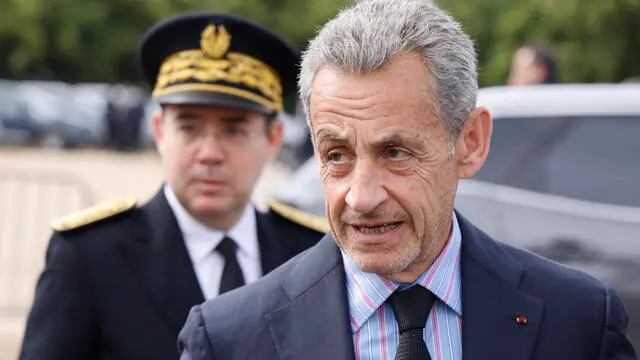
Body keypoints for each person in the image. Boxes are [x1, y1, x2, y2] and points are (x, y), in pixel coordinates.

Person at [177, 1, 638, 359]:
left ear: (471, 142)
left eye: (395, 153)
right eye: (336, 156)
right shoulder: (229, 339)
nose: (360, 196)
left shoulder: (577, 321)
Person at [18, 12, 327, 360]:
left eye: (234, 130)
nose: (210, 154)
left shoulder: (309, 252)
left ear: (274, 138)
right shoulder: (89, 255)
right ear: (160, 131)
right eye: (190, 128)